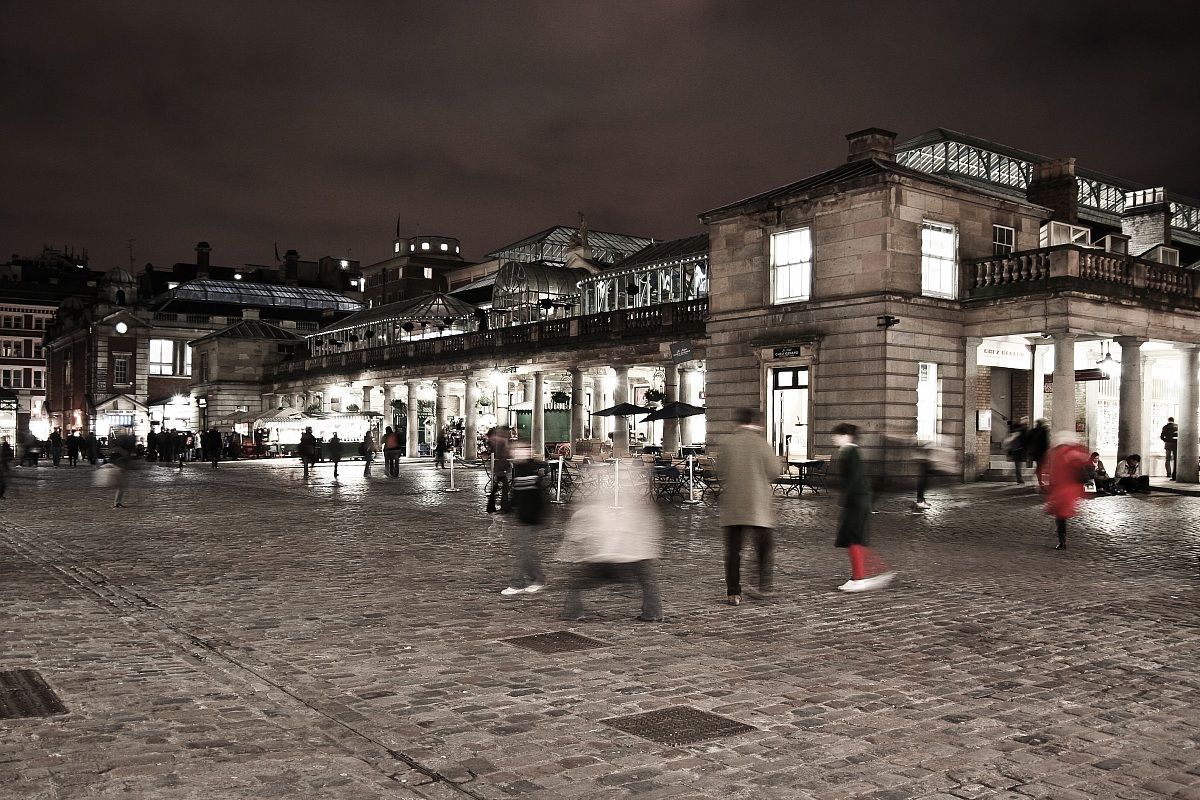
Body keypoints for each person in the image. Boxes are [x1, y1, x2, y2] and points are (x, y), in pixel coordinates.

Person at [556, 473, 663, 622]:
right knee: (648, 581)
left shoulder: (588, 512)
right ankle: (653, 612)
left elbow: (577, 538)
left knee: (577, 584)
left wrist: (571, 555)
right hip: (629, 556)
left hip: (607, 558)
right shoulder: (632, 509)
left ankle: (572, 612)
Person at [719, 408, 783, 605]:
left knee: (733, 551)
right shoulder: (761, 443)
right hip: (758, 506)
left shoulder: (727, 443)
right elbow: (775, 470)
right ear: (755, 422)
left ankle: (733, 592)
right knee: (764, 547)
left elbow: (720, 470)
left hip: (733, 506)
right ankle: (763, 586)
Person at [833, 422, 895, 592]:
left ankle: (861, 577)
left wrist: (845, 500)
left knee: (853, 539)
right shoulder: (848, 452)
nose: (834, 438)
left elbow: (854, 480)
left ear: (846, 436)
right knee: (852, 539)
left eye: (837, 435)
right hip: (857, 501)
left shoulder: (850, 452)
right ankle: (860, 576)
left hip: (856, 502)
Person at [500, 446, 548, 596]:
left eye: (519, 453)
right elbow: (516, 496)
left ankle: (517, 583)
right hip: (523, 518)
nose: (515, 455)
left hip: (530, 518)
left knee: (524, 551)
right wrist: (505, 511)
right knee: (526, 551)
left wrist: (536, 517)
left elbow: (539, 499)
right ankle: (537, 579)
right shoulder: (519, 472)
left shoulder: (530, 473)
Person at [1045, 433, 1090, 549]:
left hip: (1062, 489)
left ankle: (1062, 541)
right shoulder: (1074, 452)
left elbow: (1053, 470)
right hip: (1067, 488)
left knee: (1060, 515)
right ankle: (1062, 540)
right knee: (1061, 514)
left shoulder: (1060, 453)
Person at [486, 426, 512, 514]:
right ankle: (503, 506)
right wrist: (506, 465)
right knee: (504, 487)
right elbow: (503, 454)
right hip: (500, 466)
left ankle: (492, 505)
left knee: (497, 486)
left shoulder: (495, 440)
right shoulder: (500, 440)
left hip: (498, 466)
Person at [109, 430, 138, 508]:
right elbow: (126, 458)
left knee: (120, 486)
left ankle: (117, 502)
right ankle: (117, 503)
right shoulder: (123, 450)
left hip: (116, 467)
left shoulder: (114, 448)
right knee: (120, 487)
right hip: (120, 468)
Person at [1026, 419, 1050, 489]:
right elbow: (1046, 443)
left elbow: (1028, 441)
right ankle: (1039, 480)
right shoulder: (1044, 431)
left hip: (1035, 452)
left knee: (1039, 466)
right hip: (1041, 452)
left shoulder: (1033, 431)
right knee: (1040, 467)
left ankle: (1038, 479)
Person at [1004, 417, 1028, 485]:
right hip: (1018, 450)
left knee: (1018, 464)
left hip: (1017, 449)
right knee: (1018, 465)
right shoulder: (1021, 429)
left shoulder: (1018, 429)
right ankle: (1019, 479)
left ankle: (1017, 477)